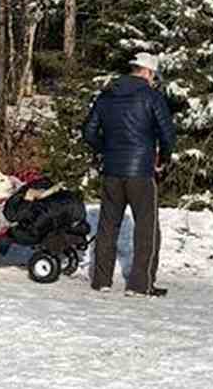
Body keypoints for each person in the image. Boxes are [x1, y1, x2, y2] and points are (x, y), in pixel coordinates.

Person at [82, 52, 177, 297]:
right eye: (154, 75)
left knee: (107, 225)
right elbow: (168, 135)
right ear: (147, 72)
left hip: (112, 171)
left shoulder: (107, 94)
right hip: (142, 172)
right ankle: (140, 284)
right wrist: (163, 160)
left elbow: (89, 131)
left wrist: (106, 149)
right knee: (147, 228)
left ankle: (101, 280)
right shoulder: (152, 96)